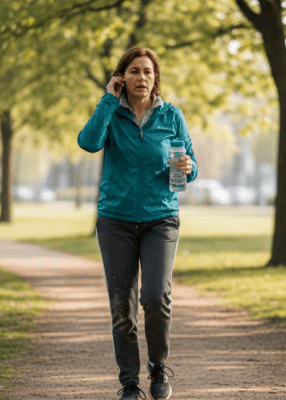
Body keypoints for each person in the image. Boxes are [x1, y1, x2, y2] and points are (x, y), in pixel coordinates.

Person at [78, 47, 197, 400]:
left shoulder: (172, 116)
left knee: (155, 297)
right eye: (133, 71)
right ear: (122, 78)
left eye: (147, 71)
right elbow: (88, 143)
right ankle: (129, 382)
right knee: (121, 305)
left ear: (154, 77)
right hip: (116, 221)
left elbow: (189, 165)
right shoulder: (111, 115)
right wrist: (106, 100)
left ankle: (158, 367)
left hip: (161, 219)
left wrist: (189, 168)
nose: (141, 78)